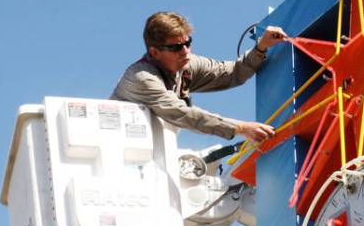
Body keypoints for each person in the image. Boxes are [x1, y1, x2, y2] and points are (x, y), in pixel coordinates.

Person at [111, 11, 284, 142]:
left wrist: (261, 47)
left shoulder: (186, 64)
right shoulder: (142, 78)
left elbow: (233, 73)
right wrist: (240, 128)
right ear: (155, 52)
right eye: (176, 47)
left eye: (188, 43)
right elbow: (182, 114)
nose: (185, 51)